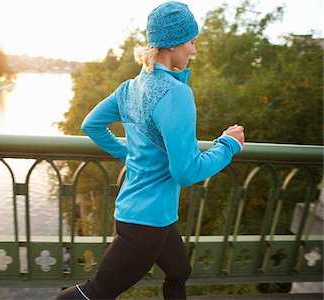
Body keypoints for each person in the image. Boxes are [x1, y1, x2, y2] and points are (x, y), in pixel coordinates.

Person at [56, 1, 244, 299]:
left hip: (151, 214)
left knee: (179, 272)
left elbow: (91, 125)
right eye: (192, 42)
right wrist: (229, 145)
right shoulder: (176, 93)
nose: (194, 50)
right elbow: (186, 171)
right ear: (172, 45)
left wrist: (127, 154)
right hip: (145, 224)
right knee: (96, 292)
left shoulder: (130, 87)